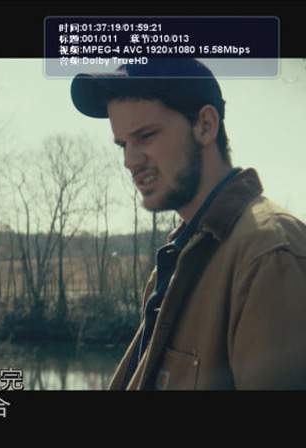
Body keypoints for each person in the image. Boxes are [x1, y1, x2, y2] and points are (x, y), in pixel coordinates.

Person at [70, 58, 306, 390]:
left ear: (205, 126)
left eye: (146, 136)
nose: (129, 161)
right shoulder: (177, 260)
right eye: (123, 144)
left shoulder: (268, 254)